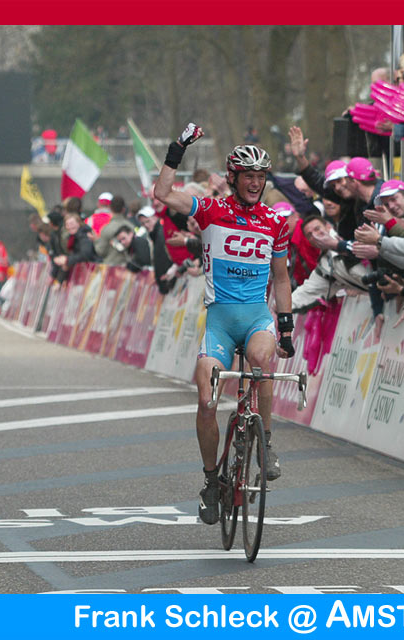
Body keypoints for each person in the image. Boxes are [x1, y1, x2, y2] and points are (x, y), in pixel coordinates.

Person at [153, 124, 294, 526]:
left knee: (263, 363)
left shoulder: (275, 221)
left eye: (261, 176)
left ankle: (264, 443)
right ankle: (211, 481)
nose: (255, 182)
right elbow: (163, 195)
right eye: (248, 176)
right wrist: (176, 149)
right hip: (219, 320)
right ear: (232, 178)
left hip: (256, 317)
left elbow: (281, 279)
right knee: (206, 400)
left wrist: (286, 328)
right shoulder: (213, 210)